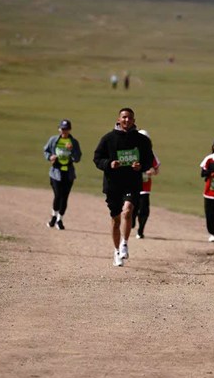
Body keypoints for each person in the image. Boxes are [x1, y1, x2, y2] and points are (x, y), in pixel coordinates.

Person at [93, 107, 155, 267]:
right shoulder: (108, 138)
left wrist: (140, 166)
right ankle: (116, 251)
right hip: (113, 185)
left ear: (134, 121)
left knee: (127, 211)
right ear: (119, 119)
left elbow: (149, 160)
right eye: (124, 117)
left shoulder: (142, 140)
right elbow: (97, 158)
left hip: (132, 183)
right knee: (115, 219)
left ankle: (124, 243)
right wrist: (109, 164)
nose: (127, 120)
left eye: (130, 118)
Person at [43, 119, 83, 230]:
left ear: (69, 130)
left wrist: (73, 150)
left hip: (68, 173)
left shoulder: (73, 142)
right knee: (58, 195)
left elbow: (77, 158)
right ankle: (53, 217)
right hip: (56, 173)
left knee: (65, 197)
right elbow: (46, 151)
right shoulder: (54, 140)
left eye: (66, 129)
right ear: (59, 129)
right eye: (62, 129)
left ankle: (60, 219)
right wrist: (50, 157)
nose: (64, 131)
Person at [133, 129, 161, 240]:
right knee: (132, 208)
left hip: (145, 187)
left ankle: (140, 231)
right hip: (132, 185)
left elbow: (156, 170)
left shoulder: (150, 153)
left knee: (144, 210)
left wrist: (151, 172)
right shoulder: (132, 152)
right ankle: (132, 221)